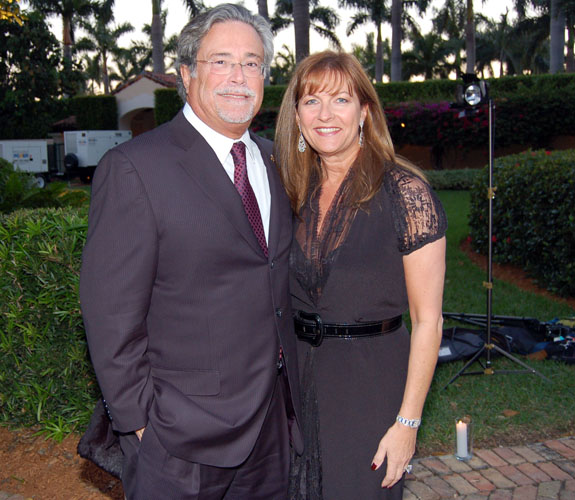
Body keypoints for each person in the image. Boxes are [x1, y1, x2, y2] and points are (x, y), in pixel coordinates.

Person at [79, 4, 302, 499]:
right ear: (186, 73)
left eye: (252, 63)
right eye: (220, 61)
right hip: (179, 437)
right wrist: (141, 423)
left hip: (272, 428)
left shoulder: (278, 159)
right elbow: (109, 312)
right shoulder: (135, 168)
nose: (238, 77)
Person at [274, 51, 447, 500]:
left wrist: (407, 423)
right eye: (312, 102)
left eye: (341, 100)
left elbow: (428, 321)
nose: (325, 115)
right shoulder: (288, 191)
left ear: (365, 112)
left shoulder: (405, 192)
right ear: (297, 115)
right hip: (296, 383)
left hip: (370, 388)